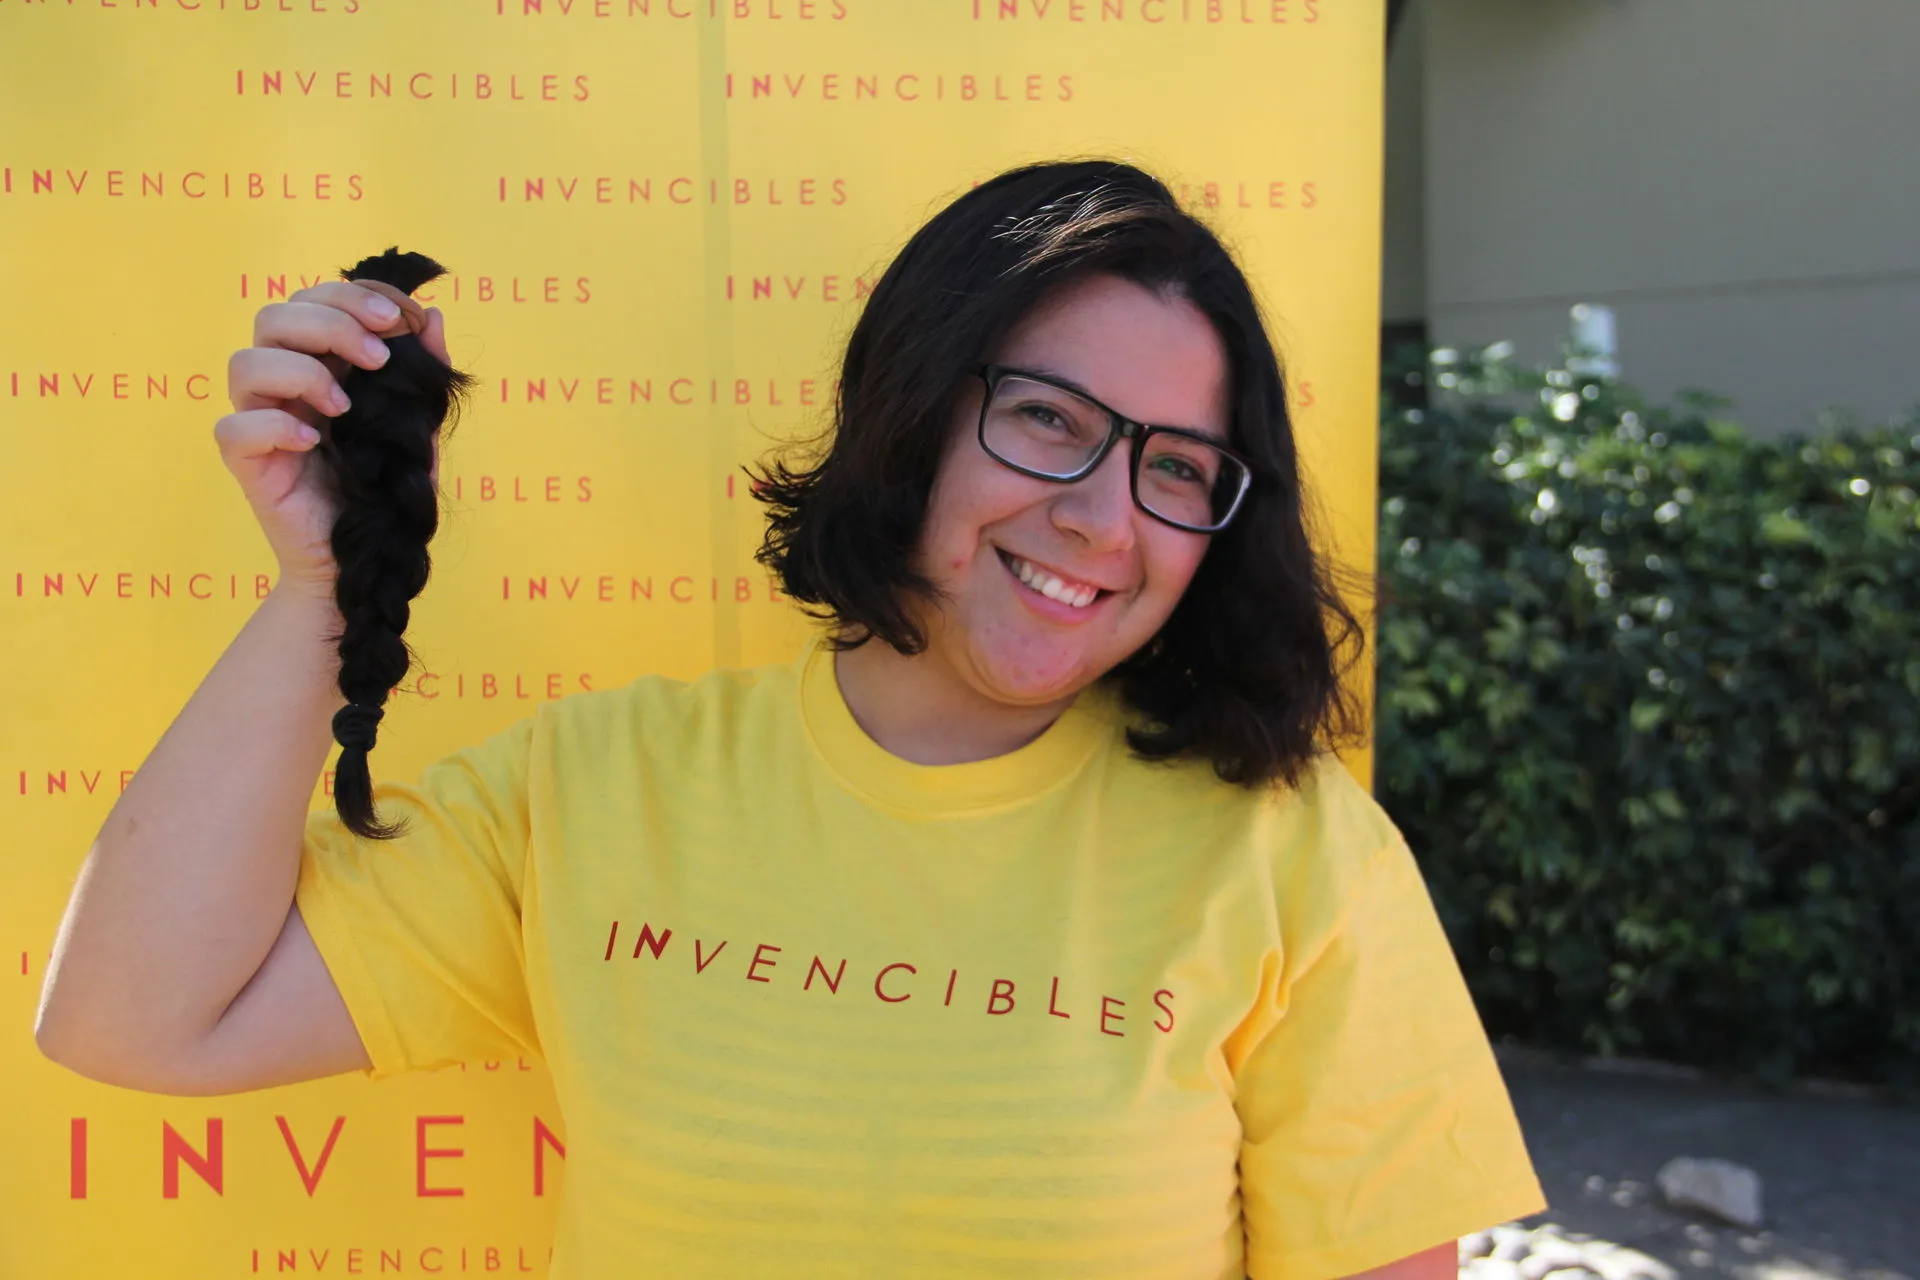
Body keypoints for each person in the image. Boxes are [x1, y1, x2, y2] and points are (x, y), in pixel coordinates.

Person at [36, 160, 1544, 1278]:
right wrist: (326, 580)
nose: (1101, 516)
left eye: (1176, 468)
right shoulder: (603, 786)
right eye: (1048, 420)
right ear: (916, 407)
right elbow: (131, 1019)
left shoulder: (1295, 854)